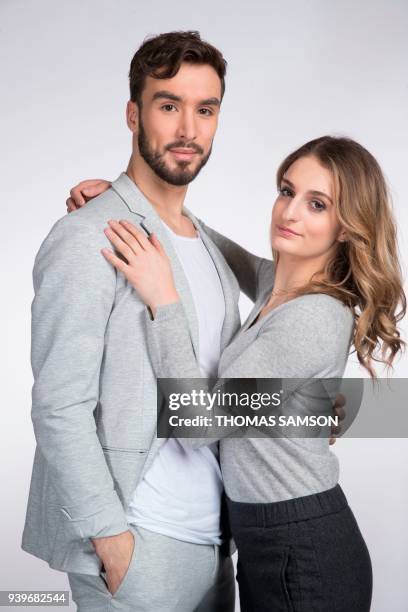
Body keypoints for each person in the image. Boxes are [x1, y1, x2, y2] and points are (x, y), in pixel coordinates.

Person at [82, 136, 406, 611]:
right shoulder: (279, 284)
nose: (289, 213)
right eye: (286, 191)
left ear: (345, 227)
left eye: (317, 204)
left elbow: (195, 424)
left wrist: (163, 300)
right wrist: (126, 199)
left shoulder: (313, 315)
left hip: (303, 550)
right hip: (266, 540)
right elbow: (209, 243)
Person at [22, 31, 239, 612]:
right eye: (168, 106)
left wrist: (316, 405)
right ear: (133, 114)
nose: (188, 129)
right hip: (138, 546)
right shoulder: (87, 237)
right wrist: (110, 539)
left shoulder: (210, 250)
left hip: (218, 546)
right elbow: (58, 405)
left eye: (205, 109)